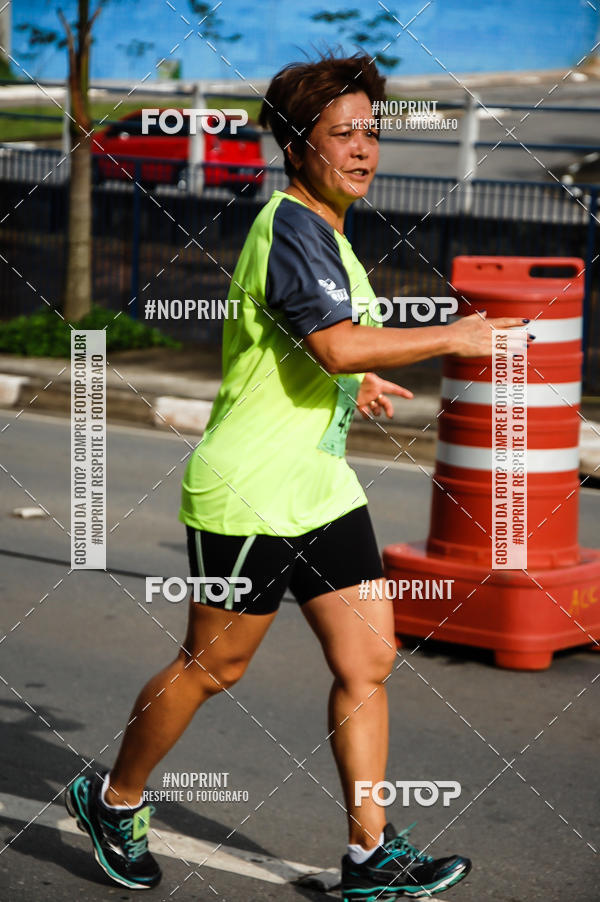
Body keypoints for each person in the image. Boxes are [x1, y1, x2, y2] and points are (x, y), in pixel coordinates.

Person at [66, 53, 531, 899]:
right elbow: (333, 342)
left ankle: (368, 853)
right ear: (295, 143)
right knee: (216, 665)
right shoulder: (290, 225)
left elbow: (329, 349)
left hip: (318, 489)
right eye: (343, 133)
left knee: (369, 661)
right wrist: (448, 340)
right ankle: (112, 799)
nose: (364, 148)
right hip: (248, 491)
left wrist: (362, 380)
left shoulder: (335, 237)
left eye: (372, 132)